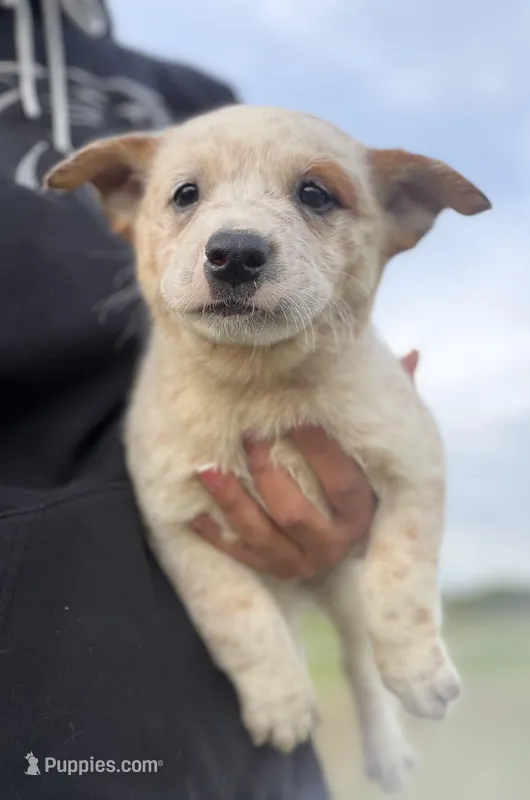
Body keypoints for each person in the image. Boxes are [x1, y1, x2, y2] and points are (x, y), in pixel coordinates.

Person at [0, 2, 418, 797]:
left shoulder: (199, 95)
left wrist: (354, 486)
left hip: (235, 705)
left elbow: (327, 295)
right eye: (185, 194)